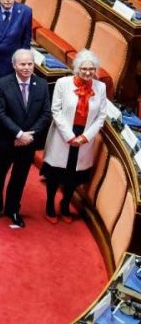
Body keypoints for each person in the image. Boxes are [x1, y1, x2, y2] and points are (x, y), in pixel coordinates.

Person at [41, 50, 108, 222]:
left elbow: (101, 116)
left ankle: (65, 205)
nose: (88, 72)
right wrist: (69, 136)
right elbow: (56, 110)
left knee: (73, 175)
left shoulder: (100, 87)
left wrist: (85, 137)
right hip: (63, 134)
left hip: (84, 137)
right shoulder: (63, 83)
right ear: (77, 69)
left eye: (91, 69)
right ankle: (50, 204)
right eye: (84, 69)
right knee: (56, 173)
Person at [0, 49, 51, 227]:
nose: (27, 67)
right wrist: (19, 134)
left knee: (20, 177)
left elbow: (45, 114)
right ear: (14, 65)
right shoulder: (2, 84)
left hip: (28, 142)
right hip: (5, 140)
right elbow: (0, 114)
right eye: (23, 64)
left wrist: (28, 136)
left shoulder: (41, 84)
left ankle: (13, 209)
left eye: (30, 64)